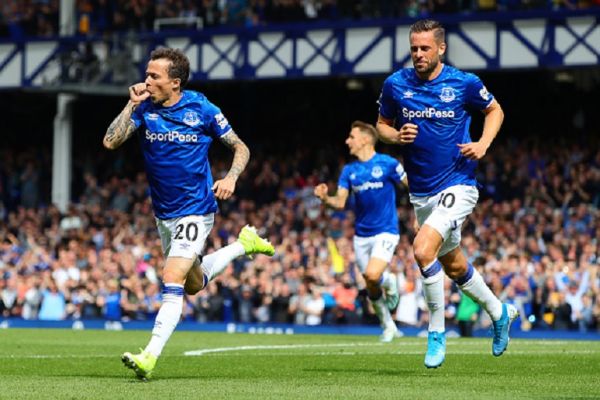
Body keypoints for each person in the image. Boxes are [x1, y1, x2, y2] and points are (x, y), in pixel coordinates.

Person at [103, 47, 274, 380]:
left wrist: (232, 177)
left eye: (154, 76)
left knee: (172, 277)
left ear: (175, 82)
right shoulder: (144, 109)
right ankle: (244, 245)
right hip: (163, 214)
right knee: (192, 284)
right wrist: (131, 104)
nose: (147, 80)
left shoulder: (202, 108)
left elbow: (240, 146)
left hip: (196, 210)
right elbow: (111, 141)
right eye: (147, 73)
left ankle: (150, 355)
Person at [376, 19, 517, 368]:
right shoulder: (395, 84)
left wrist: (483, 143)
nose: (418, 54)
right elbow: (381, 126)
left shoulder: (463, 82)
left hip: (459, 183)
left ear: (441, 48)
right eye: (414, 48)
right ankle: (499, 312)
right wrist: (396, 137)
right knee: (453, 265)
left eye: (425, 48)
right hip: (421, 192)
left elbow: (494, 109)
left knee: (423, 250)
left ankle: (435, 334)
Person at [314, 121, 408, 342]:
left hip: (386, 230)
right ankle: (388, 326)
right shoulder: (349, 170)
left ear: (365, 139)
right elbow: (340, 203)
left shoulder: (388, 164)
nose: (348, 141)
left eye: (352, 136)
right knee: (370, 284)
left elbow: (411, 186)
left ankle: (390, 281)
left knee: (372, 275)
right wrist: (325, 198)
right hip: (361, 235)